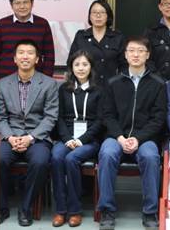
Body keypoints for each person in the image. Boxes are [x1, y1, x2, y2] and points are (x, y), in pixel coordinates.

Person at [97, 36, 166, 230]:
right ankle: (107, 211)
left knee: (151, 156)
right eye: (132, 51)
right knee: (107, 154)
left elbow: (158, 119)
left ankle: (150, 212)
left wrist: (138, 138)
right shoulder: (113, 82)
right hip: (116, 136)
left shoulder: (158, 83)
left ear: (148, 55)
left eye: (140, 51)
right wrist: (120, 137)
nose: (136, 55)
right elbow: (107, 115)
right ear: (125, 55)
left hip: (145, 138)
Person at [0, 39, 59, 226]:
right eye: (21, 53)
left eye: (30, 53)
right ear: (14, 58)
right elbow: (0, 117)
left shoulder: (49, 84)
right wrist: (10, 137)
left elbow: (50, 117)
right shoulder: (2, 84)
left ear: (37, 59)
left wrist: (30, 137)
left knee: (40, 162)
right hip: (11, 137)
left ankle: (26, 208)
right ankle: (1, 207)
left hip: (37, 137)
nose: (25, 56)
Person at [51, 50, 104, 227]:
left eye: (85, 64)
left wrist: (81, 140)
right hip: (67, 138)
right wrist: (67, 138)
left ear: (91, 67)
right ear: (71, 68)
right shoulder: (64, 89)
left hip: (89, 140)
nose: (81, 68)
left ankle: (74, 210)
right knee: (56, 157)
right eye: (77, 64)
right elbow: (59, 118)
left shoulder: (99, 90)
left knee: (71, 159)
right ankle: (60, 210)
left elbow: (100, 121)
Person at [0, 0, 55, 84]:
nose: (22, 6)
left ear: (32, 3)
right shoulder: (2, 24)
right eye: (17, 3)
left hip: (36, 82)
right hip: (5, 82)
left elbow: (49, 56)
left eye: (25, 2)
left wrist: (45, 81)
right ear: (11, 5)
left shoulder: (42, 24)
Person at [68, 0, 125, 85]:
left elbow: (124, 65)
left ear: (108, 16)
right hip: (87, 87)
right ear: (90, 16)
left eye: (102, 12)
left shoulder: (117, 37)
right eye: (94, 12)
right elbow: (71, 61)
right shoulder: (81, 36)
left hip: (111, 87)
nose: (98, 15)